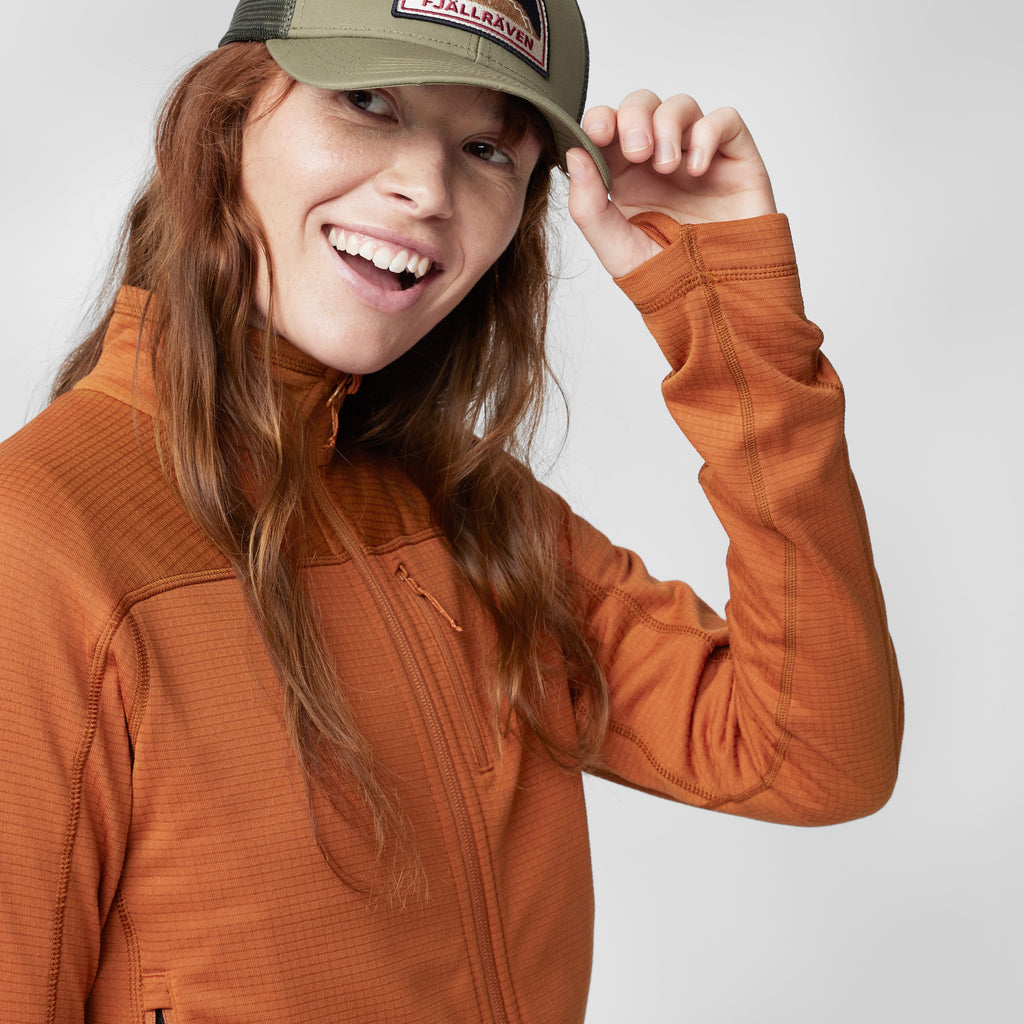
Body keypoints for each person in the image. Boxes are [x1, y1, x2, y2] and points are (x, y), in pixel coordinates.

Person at [0, 0, 903, 1020]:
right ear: (225, 122)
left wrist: (727, 314)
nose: (425, 188)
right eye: (366, 101)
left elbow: (817, 753)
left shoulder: (471, 516)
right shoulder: (41, 540)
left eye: (485, 147)